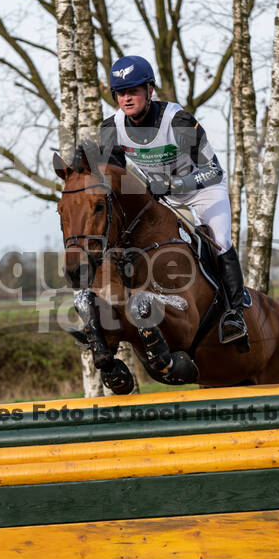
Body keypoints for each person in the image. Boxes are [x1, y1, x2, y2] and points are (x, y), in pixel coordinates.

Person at [100, 55, 248, 347]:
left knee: (220, 241)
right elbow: (112, 182)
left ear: (150, 90)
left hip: (202, 189)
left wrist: (172, 184)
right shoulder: (111, 128)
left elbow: (214, 169)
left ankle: (234, 313)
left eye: (133, 91)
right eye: (121, 93)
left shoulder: (177, 120)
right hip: (160, 197)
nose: (127, 99)